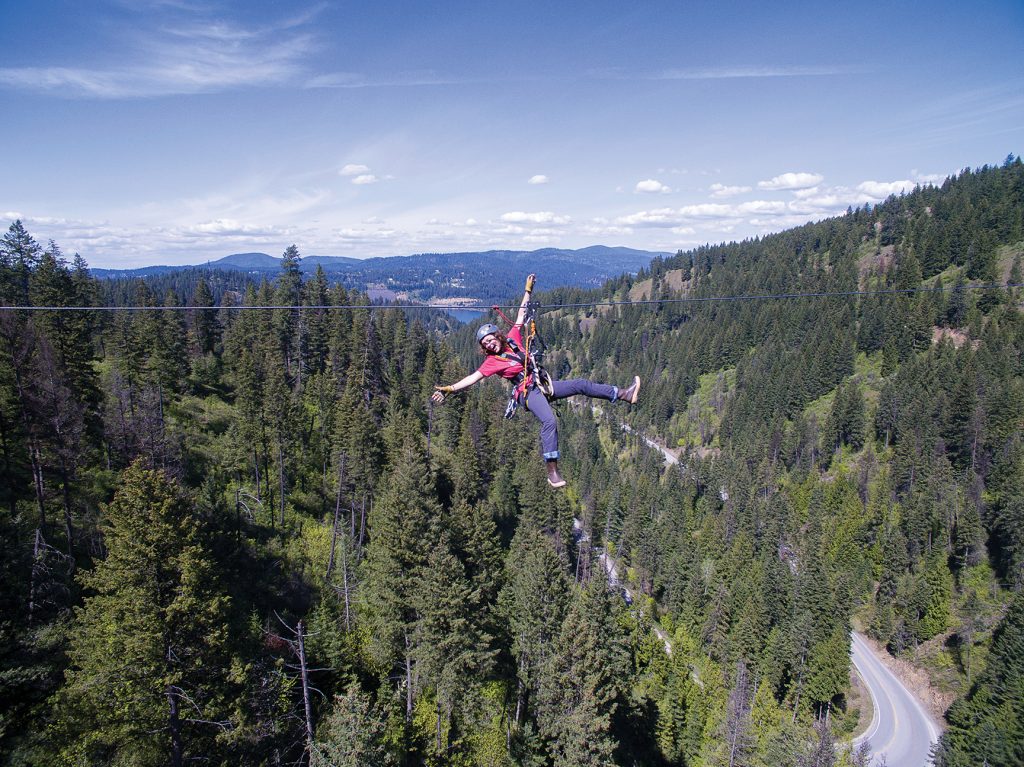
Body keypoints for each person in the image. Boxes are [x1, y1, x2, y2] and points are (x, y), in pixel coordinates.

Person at [431, 274, 640, 488]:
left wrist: (528, 291)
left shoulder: (513, 339)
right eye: (485, 344)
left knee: (581, 384)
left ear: (497, 336)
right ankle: (552, 472)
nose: (489, 345)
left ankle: (624, 394)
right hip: (527, 393)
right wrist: (451, 389)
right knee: (549, 421)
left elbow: (521, 314)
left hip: (542, 383)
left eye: (490, 340)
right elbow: (472, 378)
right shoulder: (492, 362)